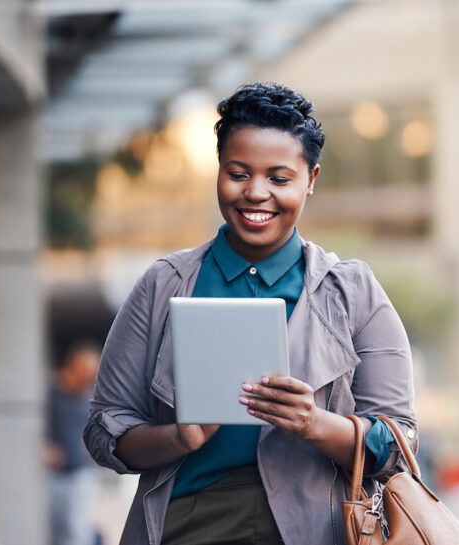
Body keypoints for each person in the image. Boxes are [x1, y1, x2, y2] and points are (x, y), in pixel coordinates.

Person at [84, 82, 418, 545]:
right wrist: (179, 438)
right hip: (188, 525)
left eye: (279, 179)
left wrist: (313, 423)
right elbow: (105, 430)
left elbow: (400, 444)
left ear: (311, 179)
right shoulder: (163, 284)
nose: (256, 193)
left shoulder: (353, 291)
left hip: (318, 528)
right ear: (218, 171)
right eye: (238, 173)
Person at [46, 341, 102, 545]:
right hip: (52, 475)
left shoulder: (90, 399)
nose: (90, 376)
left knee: (77, 533)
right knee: (52, 531)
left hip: (80, 474)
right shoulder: (50, 391)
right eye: (86, 369)